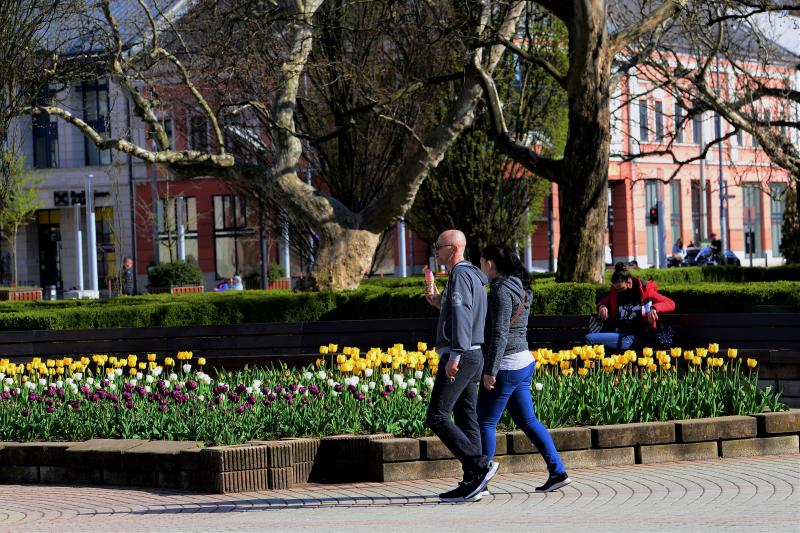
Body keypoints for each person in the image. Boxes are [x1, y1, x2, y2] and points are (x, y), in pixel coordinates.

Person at [477, 245, 570, 493]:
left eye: (481, 262)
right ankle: (558, 472)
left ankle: (480, 480)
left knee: (484, 422)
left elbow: (500, 333)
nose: (481, 267)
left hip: (506, 365)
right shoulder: (521, 285)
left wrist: (490, 370)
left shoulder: (500, 291)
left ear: (490, 263)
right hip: (524, 361)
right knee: (528, 421)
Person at [424, 229, 498, 502]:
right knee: (467, 418)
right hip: (473, 354)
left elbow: (463, 314)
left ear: (453, 248)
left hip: (462, 355)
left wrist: (455, 354)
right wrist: (439, 302)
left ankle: (480, 465)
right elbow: (463, 310)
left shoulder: (458, 275)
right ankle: (474, 482)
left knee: (437, 415)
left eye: (439, 246)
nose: (435, 251)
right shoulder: (472, 275)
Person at [585, 262, 675, 350]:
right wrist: (602, 306)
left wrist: (654, 308)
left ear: (629, 281)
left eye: (621, 288)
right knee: (591, 341)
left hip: (634, 336)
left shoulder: (645, 291)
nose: (618, 291)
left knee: (589, 338)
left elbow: (670, 303)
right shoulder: (616, 293)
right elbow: (602, 303)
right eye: (616, 289)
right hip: (619, 333)